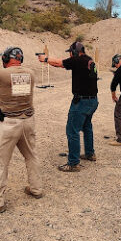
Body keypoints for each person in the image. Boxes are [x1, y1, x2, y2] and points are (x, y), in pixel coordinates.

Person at [0, 47, 41, 213]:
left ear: (5, 58)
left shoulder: (0, 75)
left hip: (9, 124)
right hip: (28, 121)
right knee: (31, 155)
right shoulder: (30, 73)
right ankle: (36, 189)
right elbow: (13, 79)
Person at [37, 41, 98, 172]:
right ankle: (89, 153)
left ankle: (74, 162)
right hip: (93, 101)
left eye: (71, 52)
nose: (70, 55)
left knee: (72, 130)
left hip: (81, 101)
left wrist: (45, 59)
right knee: (87, 127)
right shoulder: (89, 60)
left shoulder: (77, 60)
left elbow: (59, 63)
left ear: (75, 52)